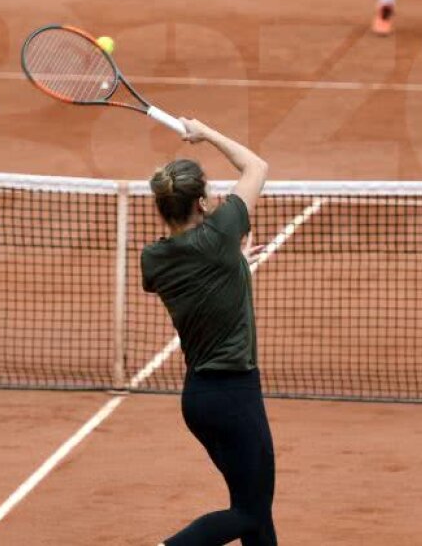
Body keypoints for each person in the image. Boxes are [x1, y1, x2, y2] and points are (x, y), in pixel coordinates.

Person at [141, 118, 275, 546]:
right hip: (235, 397)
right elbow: (256, 167)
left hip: (199, 400)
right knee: (251, 512)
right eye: (210, 192)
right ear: (200, 202)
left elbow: (203, 273)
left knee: (253, 506)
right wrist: (206, 133)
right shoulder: (221, 233)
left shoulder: (154, 259)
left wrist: (234, 262)